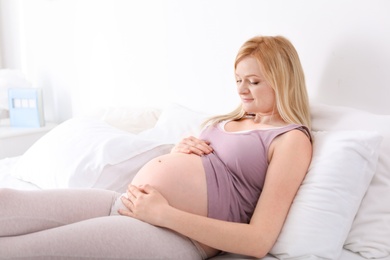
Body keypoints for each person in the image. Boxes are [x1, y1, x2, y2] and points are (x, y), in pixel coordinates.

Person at [0, 35, 312, 259]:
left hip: (175, 234)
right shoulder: (233, 119)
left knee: (19, 251)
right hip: (130, 204)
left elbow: (259, 241)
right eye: (238, 80)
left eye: (253, 82)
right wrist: (179, 152)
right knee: (7, 202)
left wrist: (163, 214)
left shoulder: (290, 139)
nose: (242, 89)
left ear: (282, 80)